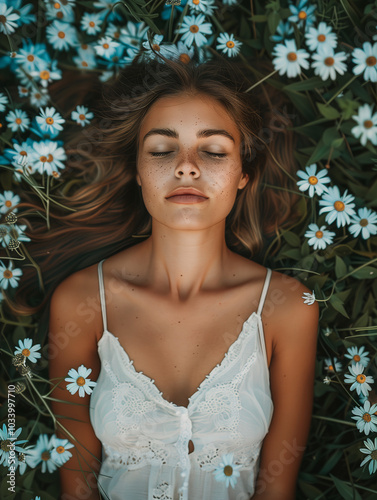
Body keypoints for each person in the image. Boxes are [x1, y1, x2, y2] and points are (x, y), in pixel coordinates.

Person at [43, 53, 319, 500]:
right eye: (161, 149)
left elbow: (277, 491)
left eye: (212, 151)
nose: (186, 166)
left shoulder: (288, 308)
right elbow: (76, 489)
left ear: (243, 173)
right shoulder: (79, 301)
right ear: (137, 169)